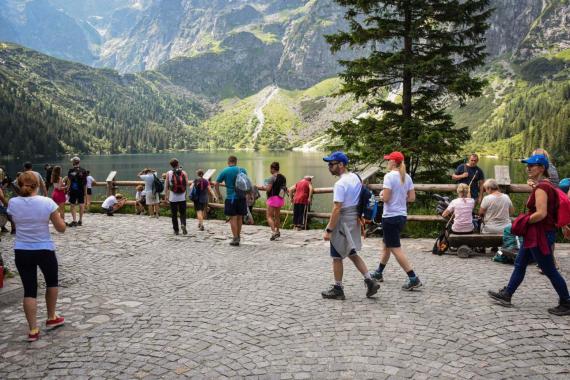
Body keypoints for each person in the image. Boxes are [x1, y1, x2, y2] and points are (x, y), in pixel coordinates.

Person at [488, 154, 570, 316]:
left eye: (532, 165)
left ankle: (567, 301)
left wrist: (523, 221)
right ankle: (507, 294)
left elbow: (541, 214)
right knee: (520, 263)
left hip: (539, 234)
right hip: (538, 234)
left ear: (541, 168)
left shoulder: (542, 188)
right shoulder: (546, 186)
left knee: (550, 270)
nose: (528, 168)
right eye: (528, 165)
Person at [6, 172, 66, 341]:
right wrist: (60, 215)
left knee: (29, 290)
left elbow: (16, 221)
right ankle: (51, 317)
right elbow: (61, 228)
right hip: (44, 249)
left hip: (22, 250)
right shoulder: (47, 202)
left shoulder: (13, 203)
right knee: (51, 282)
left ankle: (33, 330)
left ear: (19, 184)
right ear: (38, 184)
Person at [321, 151, 379, 300]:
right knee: (352, 253)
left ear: (341, 165)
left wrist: (329, 230)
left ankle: (338, 288)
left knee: (336, 256)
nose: (329, 167)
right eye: (329, 164)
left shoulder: (340, 184)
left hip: (342, 221)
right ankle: (370, 280)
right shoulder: (355, 177)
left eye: (331, 164)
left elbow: (337, 208)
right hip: (354, 220)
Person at [371, 151, 422, 290]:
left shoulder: (389, 177)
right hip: (401, 216)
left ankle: (413, 278)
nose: (387, 162)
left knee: (395, 248)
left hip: (390, 217)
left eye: (389, 160)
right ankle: (378, 273)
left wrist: (381, 196)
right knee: (386, 245)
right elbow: (411, 198)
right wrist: (399, 198)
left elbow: (386, 198)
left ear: (394, 162)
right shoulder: (407, 177)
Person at [215, 156, 248, 246]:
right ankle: (238, 236)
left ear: (228, 162)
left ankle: (235, 238)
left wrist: (219, 195)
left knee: (233, 218)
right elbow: (246, 183)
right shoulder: (243, 170)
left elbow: (216, 183)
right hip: (241, 197)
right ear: (236, 162)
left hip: (231, 198)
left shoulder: (225, 171)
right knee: (240, 218)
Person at [258, 162, 287, 240]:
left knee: (269, 216)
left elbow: (268, 189)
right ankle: (277, 231)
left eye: (270, 169)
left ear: (273, 169)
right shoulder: (283, 177)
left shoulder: (272, 178)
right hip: (280, 198)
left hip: (272, 198)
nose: (270, 170)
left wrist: (260, 187)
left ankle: (273, 232)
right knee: (277, 216)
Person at [164, 159, 188, 235]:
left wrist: (166, 195)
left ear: (171, 165)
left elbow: (167, 185)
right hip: (182, 197)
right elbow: (186, 183)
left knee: (174, 214)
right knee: (183, 213)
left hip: (172, 197)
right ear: (178, 164)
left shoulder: (169, 173)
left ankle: (176, 230)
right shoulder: (183, 172)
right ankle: (183, 224)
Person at [66, 157, 87, 227]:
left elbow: (69, 181)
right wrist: (85, 192)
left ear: (73, 163)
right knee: (81, 205)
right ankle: (80, 220)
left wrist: (67, 190)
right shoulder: (83, 171)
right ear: (79, 162)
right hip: (81, 190)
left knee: (72, 205)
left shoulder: (71, 171)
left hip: (73, 190)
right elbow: (85, 183)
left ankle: (74, 221)